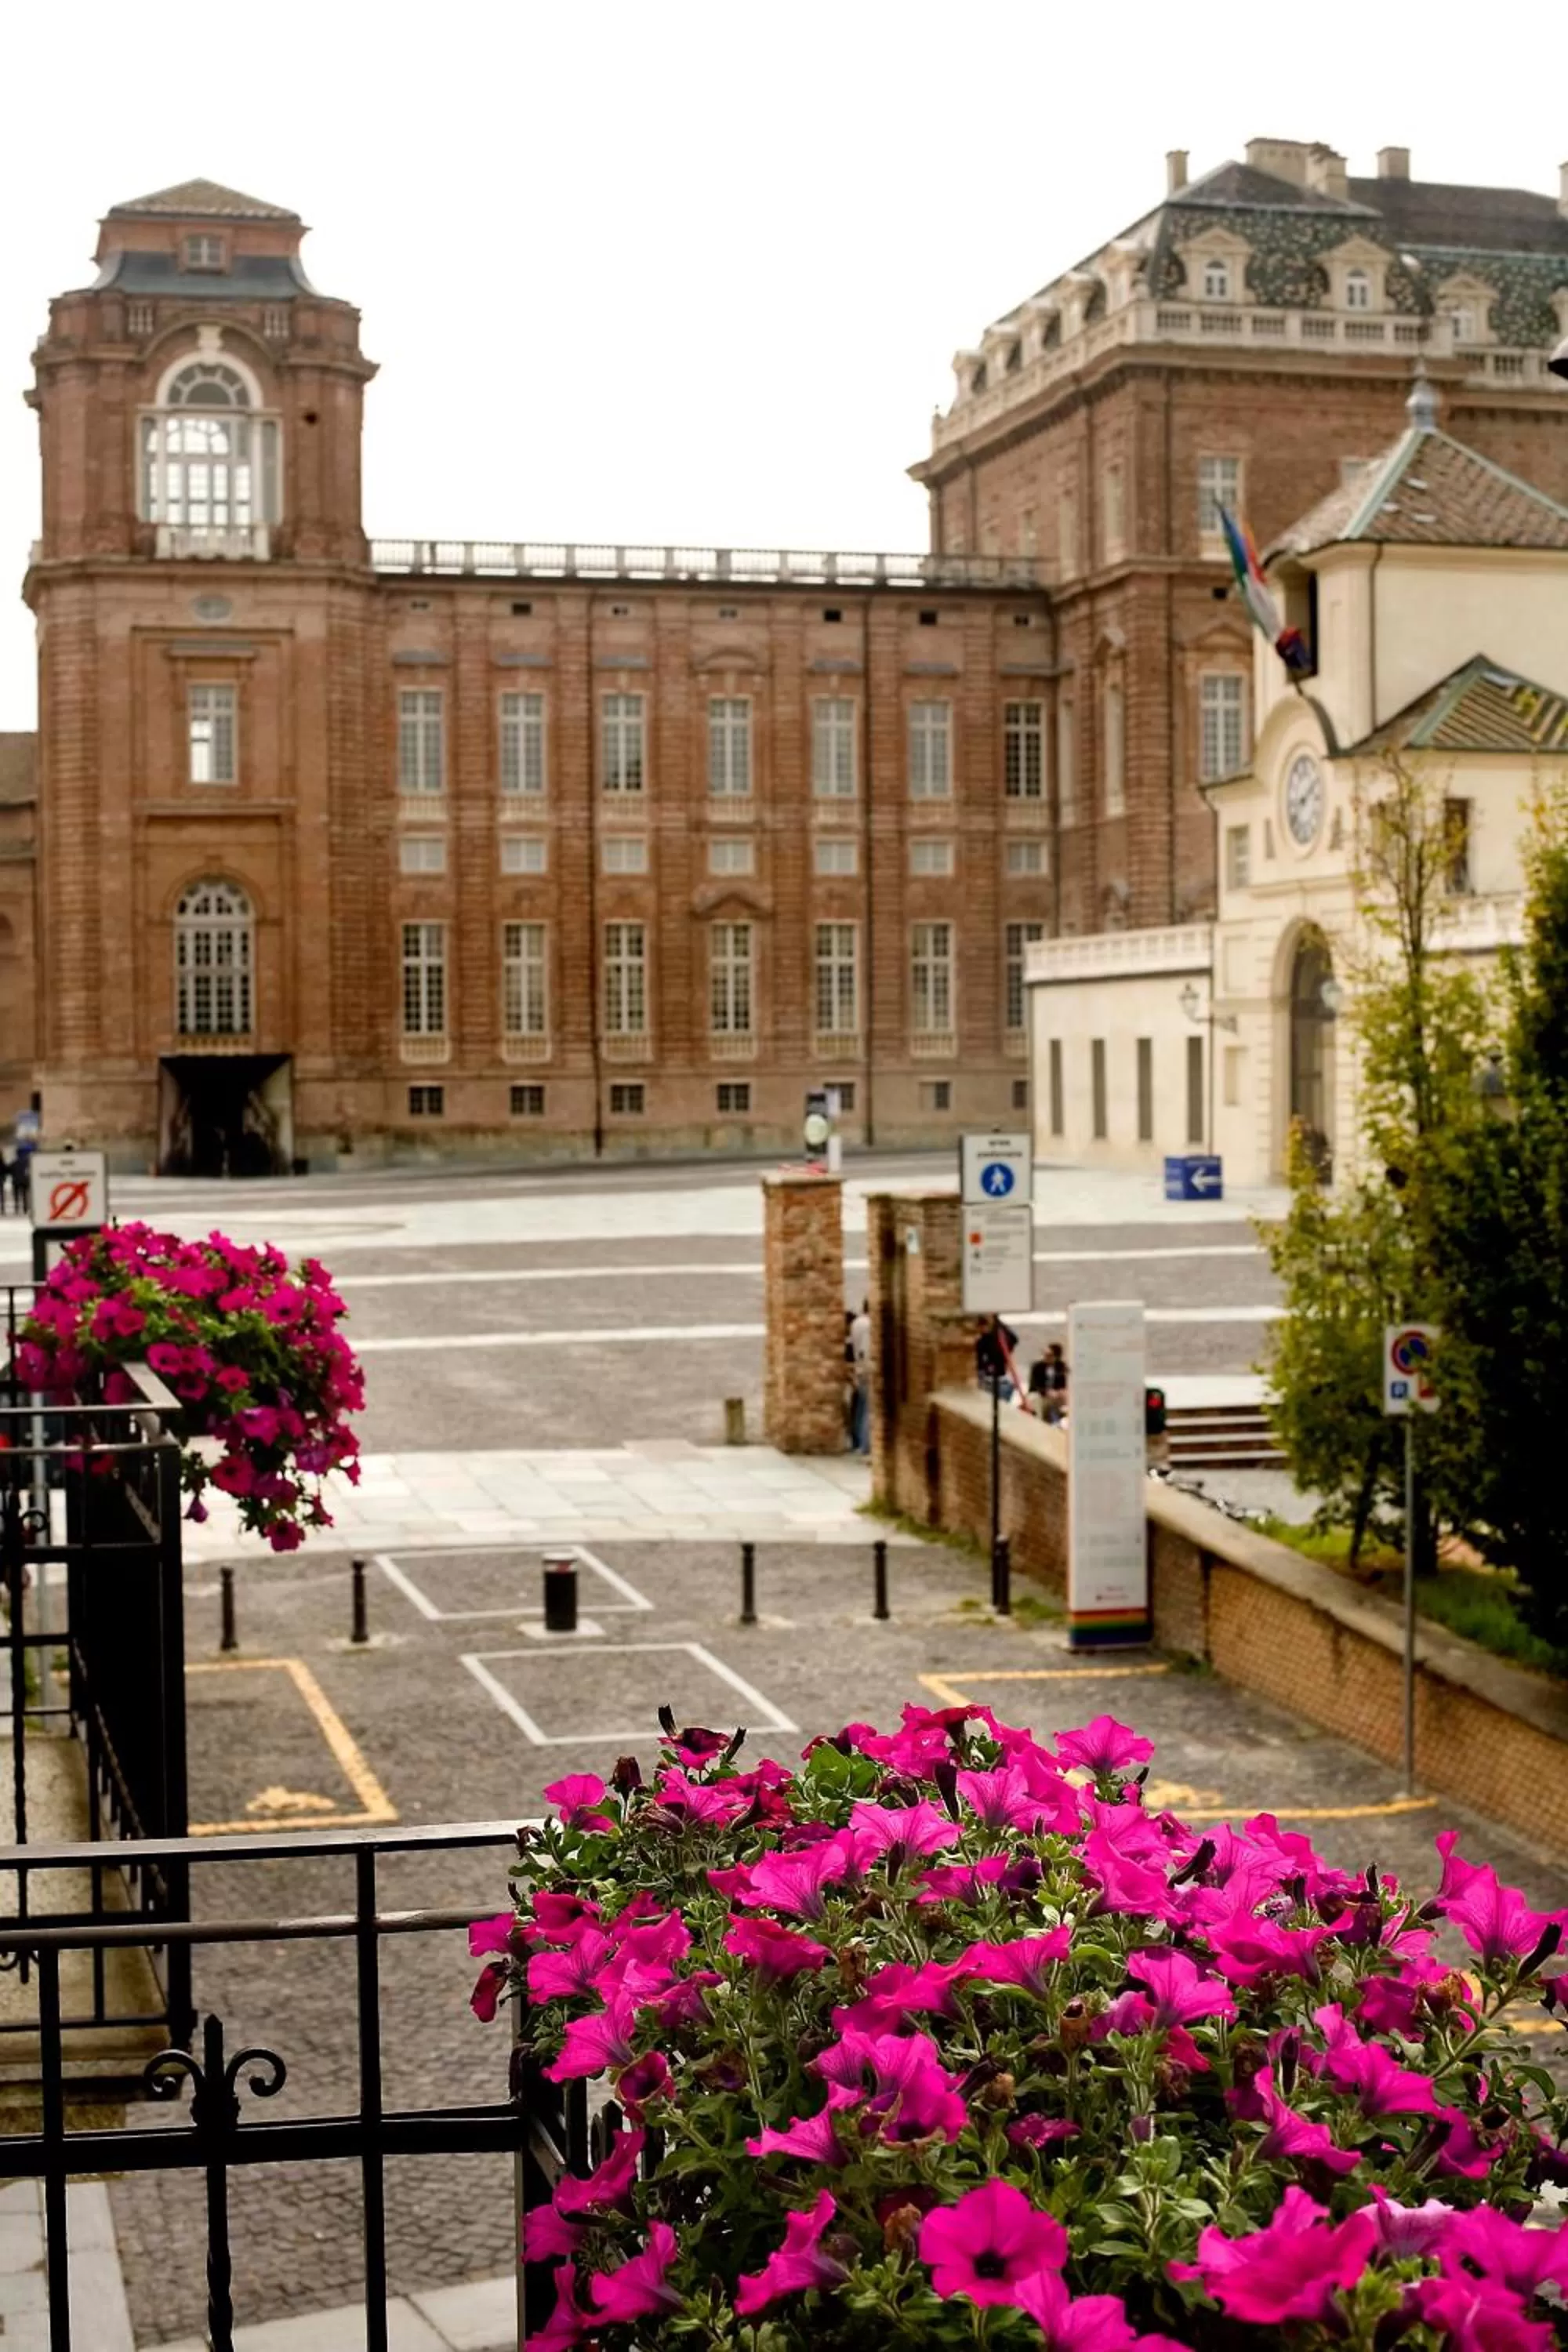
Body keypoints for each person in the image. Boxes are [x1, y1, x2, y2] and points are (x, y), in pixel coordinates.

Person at [975, 1314, 1018, 1401]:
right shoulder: (981, 1342)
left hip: (1000, 1375)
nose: (981, 1329)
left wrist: (997, 1322)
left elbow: (1014, 1339)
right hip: (989, 1377)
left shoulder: (997, 1338)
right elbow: (980, 1361)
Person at [848, 1298, 872, 1456]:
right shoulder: (868, 1325)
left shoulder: (856, 1323)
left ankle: (856, 1439)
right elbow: (866, 1349)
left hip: (859, 1367)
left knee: (860, 1407)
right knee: (868, 1409)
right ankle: (865, 1445)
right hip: (866, 1369)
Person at [1029, 1341, 1069, 1425]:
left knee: (1066, 1397)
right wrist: (1047, 1392)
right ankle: (1038, 1422)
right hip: (1040, 1394)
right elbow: (1034, 1386)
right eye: (1045, 1354)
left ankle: (1062, 1422)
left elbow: (1063, 1384)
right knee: (1035, 1399)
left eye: (1050, 1355)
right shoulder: (1037, 1367)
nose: (1046, 1357)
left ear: (1056, 1357)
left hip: (1055, 1396)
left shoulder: (1061, 1367)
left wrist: (1060, 1392)